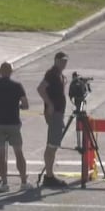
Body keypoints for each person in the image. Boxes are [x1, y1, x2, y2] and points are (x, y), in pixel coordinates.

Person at [0, 61, 32, 192]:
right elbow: (25, 105)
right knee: (18, 153)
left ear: (0, 72)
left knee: (0, 154)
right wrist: (18, 106)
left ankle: (4, 183)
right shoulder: (17, 86)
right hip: (13, 122)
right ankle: (23, 181)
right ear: (11, 72)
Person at [36, 51, 70, 188]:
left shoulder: (59, 75)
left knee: (54, 145)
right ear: (56, 60)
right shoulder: (52, 74)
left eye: (65, 61)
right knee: (51, 145)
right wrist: (49, 104)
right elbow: (40, 88)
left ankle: (49, 174)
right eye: (61, 60)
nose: (63, 63)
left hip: (58, 112)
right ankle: (49, 176)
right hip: (54, 113)